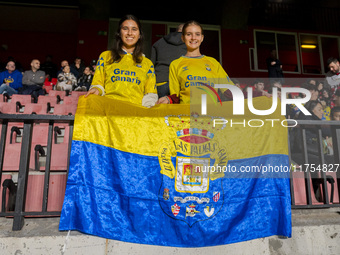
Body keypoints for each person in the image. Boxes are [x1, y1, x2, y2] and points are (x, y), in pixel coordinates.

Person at [85, 14, 157, 107]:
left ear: (139, 35)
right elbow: (98, 83)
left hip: (135, 114)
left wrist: (146, 112)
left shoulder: (147, 63)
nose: (130, 33)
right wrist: (96, 89)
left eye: (134, 29)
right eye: (125, 28)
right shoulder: (106, 56)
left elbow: (150, 94)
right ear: (119, 33)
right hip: (109, 111)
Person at [157, 20, 233, 104]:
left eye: (197, 34)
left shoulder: (213, 63)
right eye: (189, 34)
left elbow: (229, 91)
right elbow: (176, 97)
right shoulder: (175, 64)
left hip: (210, 114)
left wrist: (243, 93)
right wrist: (169, 99)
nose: (193, 38)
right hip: (186, 114)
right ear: (182, 38)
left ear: (202, 38)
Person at [151, 24, 187, 98]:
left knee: (160, 109)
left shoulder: (158, 43)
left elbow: (151, 65)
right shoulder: (189, 43)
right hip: (178, 84)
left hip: (159, 82)